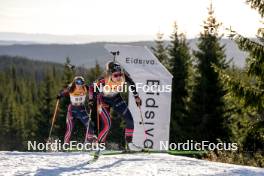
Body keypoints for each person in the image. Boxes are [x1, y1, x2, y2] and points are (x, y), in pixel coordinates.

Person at [89, 61, 142, 151]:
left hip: (116, 98)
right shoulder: (104, 79)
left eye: (120, 74)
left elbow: (132, 83)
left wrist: (136, 97)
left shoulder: (124, 76)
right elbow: (91, 87)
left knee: (130, 120)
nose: (118, 77)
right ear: (110, 75)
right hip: (103, 100)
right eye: (115, 75)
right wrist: (91, 100)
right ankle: (99, 145)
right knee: (107, 124)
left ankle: (130, 144)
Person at [57, 76, 95, 144]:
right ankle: (66, 144)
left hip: (81, 109)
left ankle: (89, 142)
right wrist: (60, 95)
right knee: (70, 128)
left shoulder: (85, 87)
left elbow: (92, 91)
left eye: (81, 83)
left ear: (83, 83)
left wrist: (92, 99)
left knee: (89, 125)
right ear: (75, 83)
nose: (79, 85)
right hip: (72, 110)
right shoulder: (71, 88)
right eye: (77, 83)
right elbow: (64, 91)